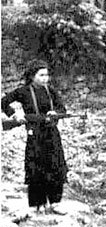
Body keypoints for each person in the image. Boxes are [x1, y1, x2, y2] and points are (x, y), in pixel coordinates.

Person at [1, 59, 68, 215]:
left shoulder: (50, 91)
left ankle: (55, 203)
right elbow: (3, 102)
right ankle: (37, 204)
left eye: (47, 75)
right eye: (41, 75)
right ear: (32, 76)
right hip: (35, 134)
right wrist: (15, 115)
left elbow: (61, 107)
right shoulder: (23, 91)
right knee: (36, 167)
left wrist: (55, 113)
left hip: (51, 133)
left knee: (55, 165)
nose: (45, 78)